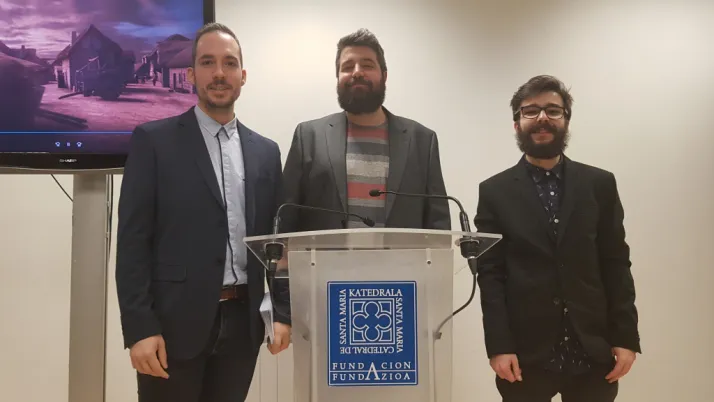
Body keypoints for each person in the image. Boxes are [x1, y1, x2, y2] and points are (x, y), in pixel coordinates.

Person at [115, 23, 290, 402]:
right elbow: (132, 243)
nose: (219, 73)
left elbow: (277, 246)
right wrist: (139, 328)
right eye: (208, 62)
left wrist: (282, 313)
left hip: (243, 326)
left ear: (243, 75)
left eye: (230, 63)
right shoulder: (153, 142)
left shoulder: (266, 153)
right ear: (192, 74)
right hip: (172, 327)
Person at [474, 75, 641, 402]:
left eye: (553, 110)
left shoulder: (600, 184)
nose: (542, 118)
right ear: (516, 123)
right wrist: (499, 345)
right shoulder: (494, 191)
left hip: (593, 350)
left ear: (566, 120)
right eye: (531, 111)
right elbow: (490, 274)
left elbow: (616, 263)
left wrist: (625, 336)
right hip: (525, 355)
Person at [280, 28, 450, 233]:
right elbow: (286, 214)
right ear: (338, 77)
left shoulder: (422, 140)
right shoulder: (309, 137)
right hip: (326, 255)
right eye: (347, 67)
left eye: (367, 65)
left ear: (384, 76)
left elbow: (438, 222)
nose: (357, 72)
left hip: (402, 255)